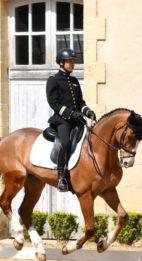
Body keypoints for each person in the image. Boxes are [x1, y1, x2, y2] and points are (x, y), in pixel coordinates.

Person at [46, 48, 96, 192]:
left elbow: (80, 102)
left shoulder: (74, 81)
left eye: (73, 61)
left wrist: (88, 111)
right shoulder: (53, 80)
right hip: (62, 120)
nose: (73, 64)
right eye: (70, 61)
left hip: (76, 119)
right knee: (66, 143)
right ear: (61, 63)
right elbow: (53, 103)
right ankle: (61, 176)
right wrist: (71, 114)